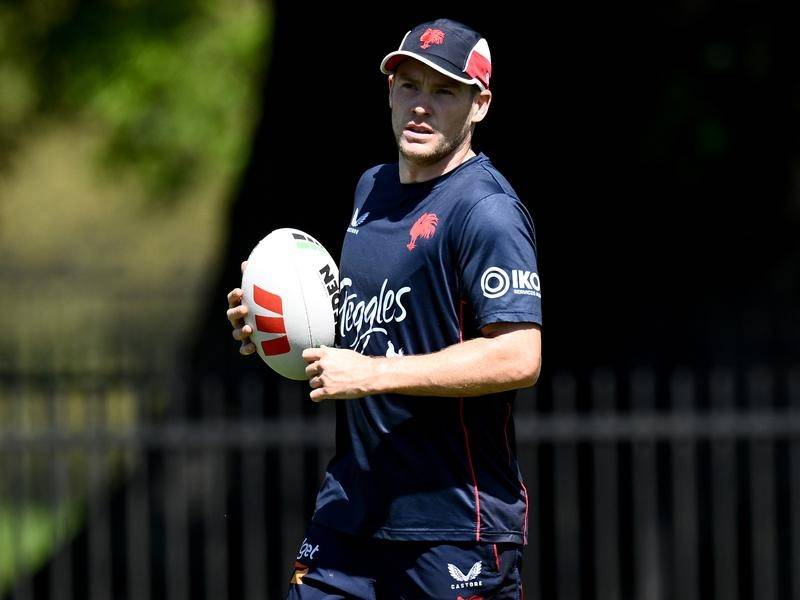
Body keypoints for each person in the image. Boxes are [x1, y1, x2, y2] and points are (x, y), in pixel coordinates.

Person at [227, 18, 542, 599]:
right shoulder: (370, 190)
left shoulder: (487, 210)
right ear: (390, 92)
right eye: (409, 86)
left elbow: (519, 355)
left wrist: (375, 375)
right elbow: (366, 325)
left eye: (444, 91)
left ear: (480, 105)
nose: (421, 106)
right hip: (350, 510)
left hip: (451, 527)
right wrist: (275, 325)